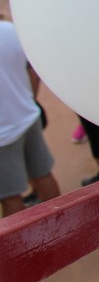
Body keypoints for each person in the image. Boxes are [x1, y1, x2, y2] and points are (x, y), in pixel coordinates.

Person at [0, 18, 59, 216]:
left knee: (9, 196)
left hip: (3, 135)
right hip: (27, 116)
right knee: (43, 174)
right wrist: (29, 98)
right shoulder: (11, 30)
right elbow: (34, 68)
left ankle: (20, 239)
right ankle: (61, 225)